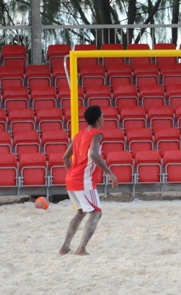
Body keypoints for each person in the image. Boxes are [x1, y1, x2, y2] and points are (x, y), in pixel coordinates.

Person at [60, 106, 118, 256]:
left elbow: (65, 157)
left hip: (71, 179)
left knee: (81, 212)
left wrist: (73, 173)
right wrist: (110, 172)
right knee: (96, 213)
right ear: (99, 119)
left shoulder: (79, 134)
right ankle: (81, 249)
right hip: (82, 181)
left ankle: (65, 247)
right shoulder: (97, 134)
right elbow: (93, 154)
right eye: (103, 116)